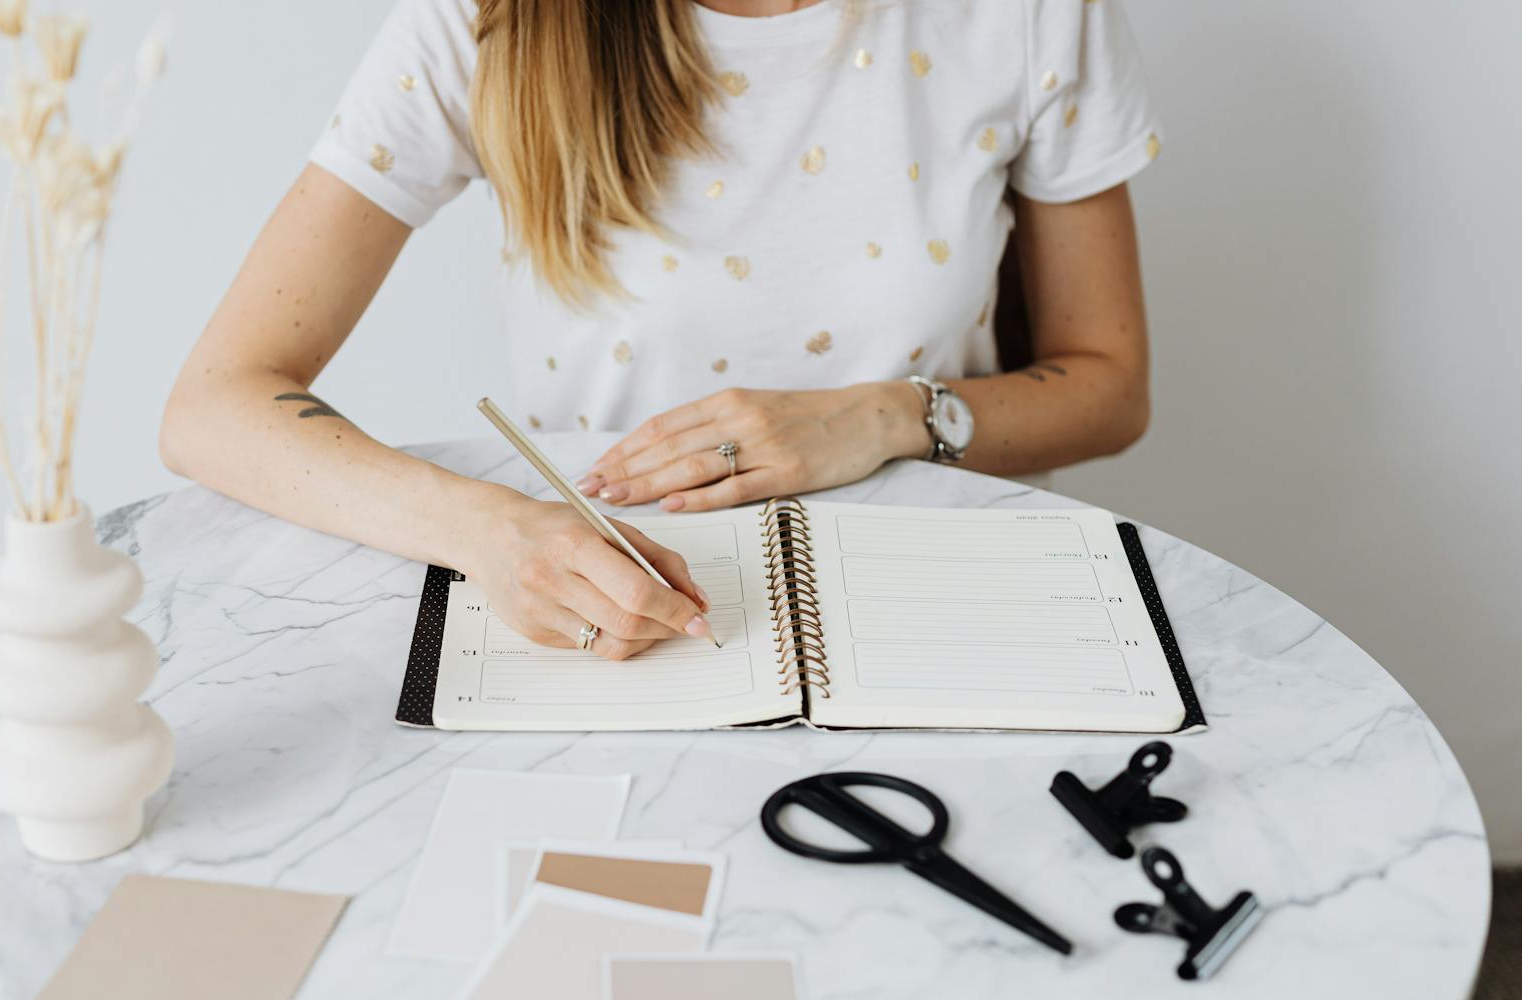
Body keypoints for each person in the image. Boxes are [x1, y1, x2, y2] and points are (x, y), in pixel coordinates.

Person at [161, 0, 1161, 660]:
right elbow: (215, 404)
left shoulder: (1028, 16)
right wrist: (491, 532)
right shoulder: (486, 21)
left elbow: (1107, 389)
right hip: (619, 620)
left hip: (939, 608)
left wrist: (883, 415)